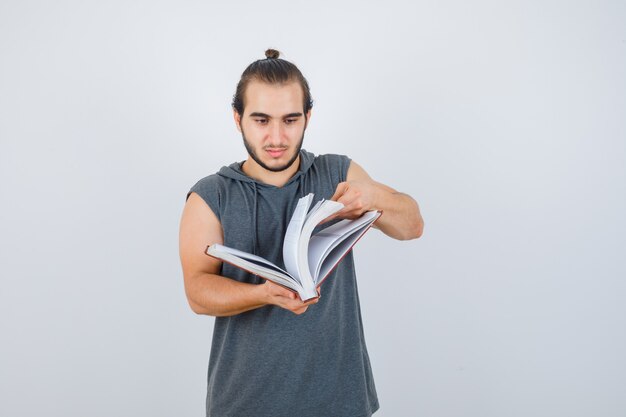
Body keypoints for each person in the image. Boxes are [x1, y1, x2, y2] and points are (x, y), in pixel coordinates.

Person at [179, 48, 424, 417]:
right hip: (245, 403)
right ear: (237, 118)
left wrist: (373, 196)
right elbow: (198, 293)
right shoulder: (210, 195)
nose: (276, 137)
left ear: (308, 116)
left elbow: (412, 226)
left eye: (290, 120)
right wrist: (264, 294)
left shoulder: (336, 172)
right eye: (261, 120)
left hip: (341, 401)